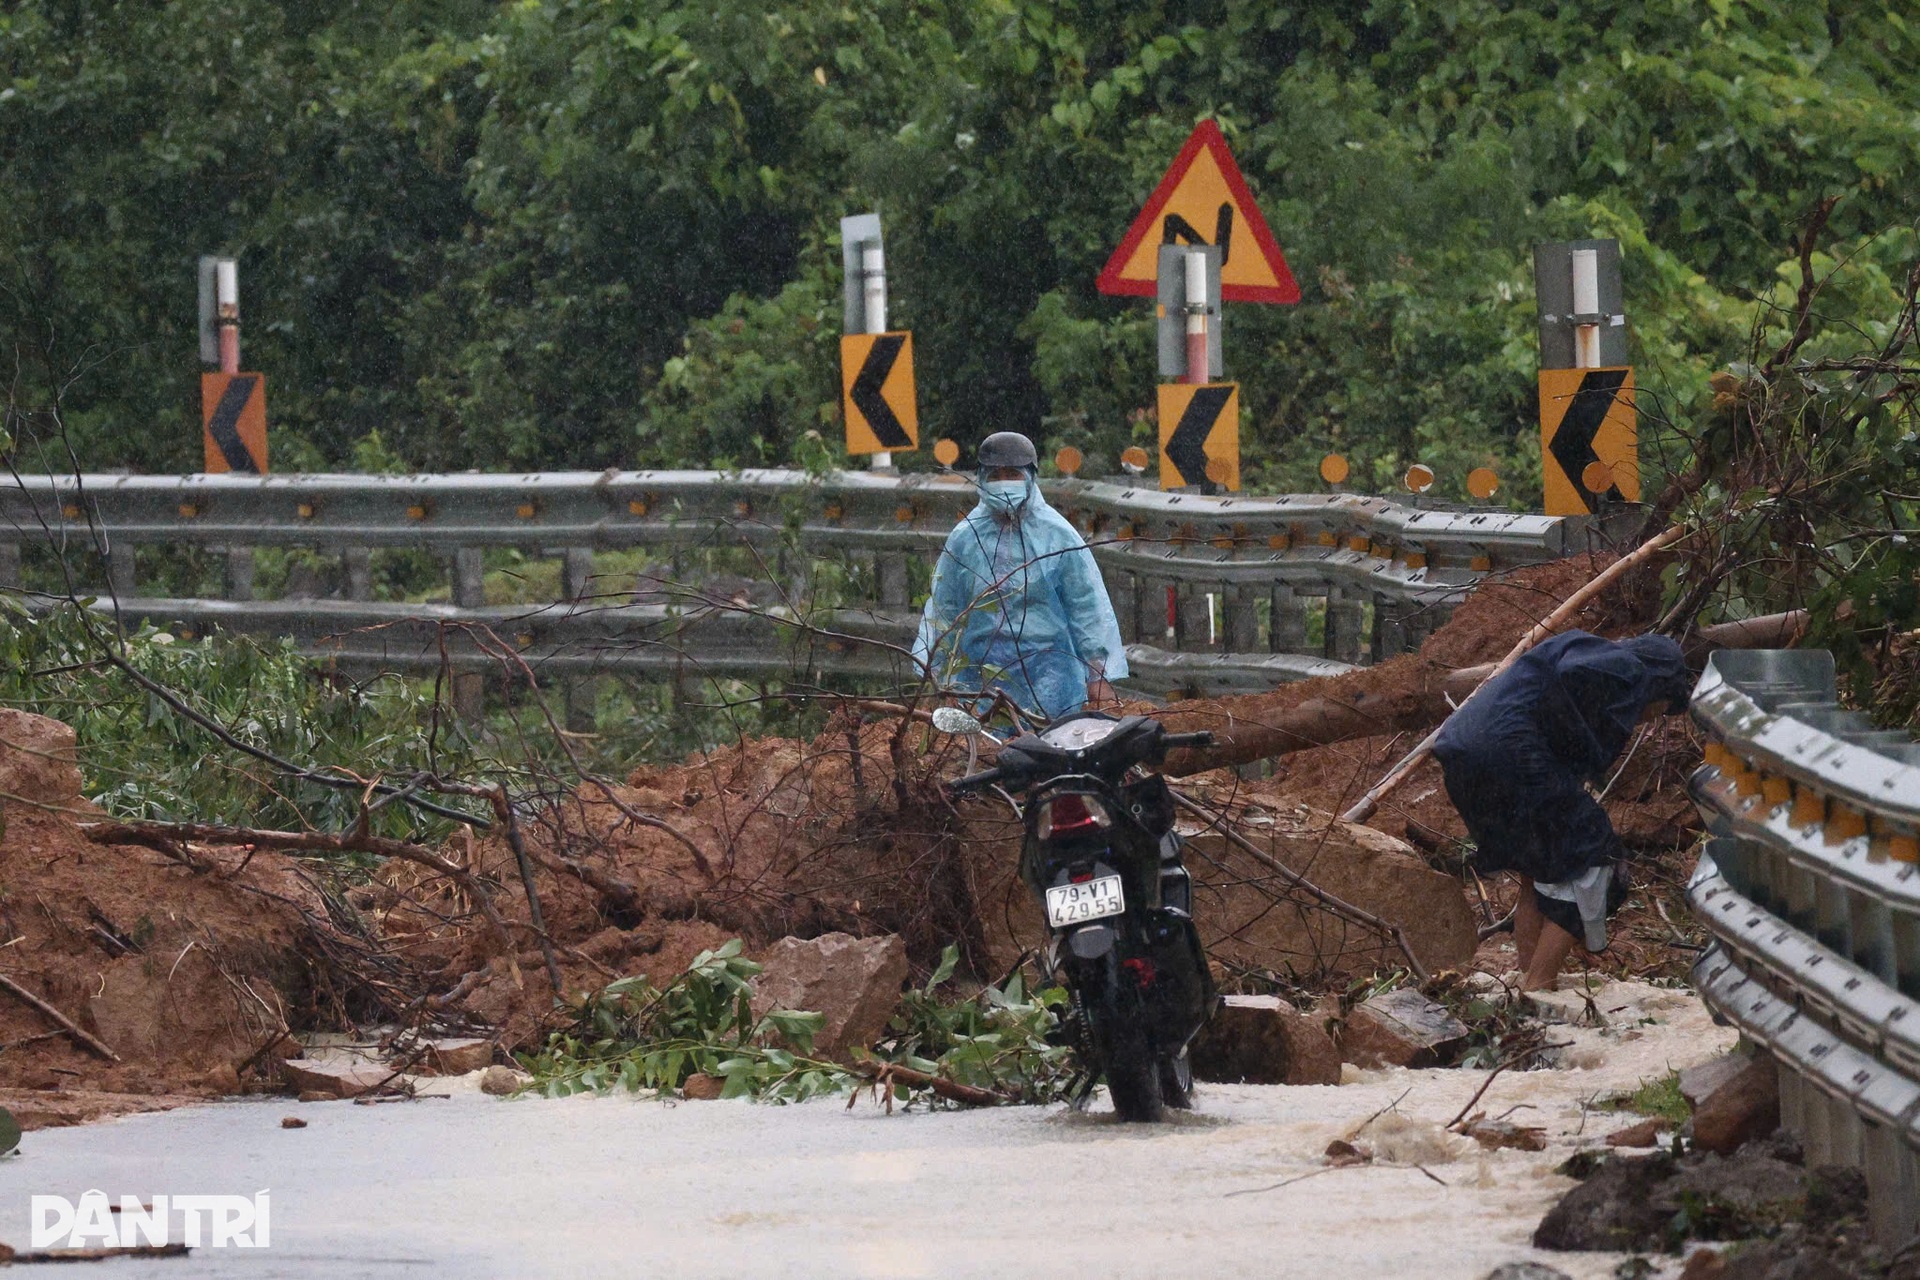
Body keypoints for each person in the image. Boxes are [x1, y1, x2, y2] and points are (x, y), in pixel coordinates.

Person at [1432, 630, 1695, 991]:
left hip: (1463, 750)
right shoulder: (1625, 666)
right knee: (1596, 857)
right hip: (1510, 751)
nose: (1648, 719)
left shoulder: (1578, 653)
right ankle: (1541, 980)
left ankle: (1527, 983)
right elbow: (1574, 672)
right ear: (1659, 685)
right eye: (1659, 709)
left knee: (1536, 867)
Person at [914, 431, 1129, 722]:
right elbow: (944, 609)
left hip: (1049, 670)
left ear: (1030, 477)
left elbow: (1086, 608)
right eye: (995, 475)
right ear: (981, 478)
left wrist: (1098, 675)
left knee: (1047, 745)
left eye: (1013, 474)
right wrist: (938, 673)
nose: (1004, 483)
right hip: (979, 674)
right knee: (989, 753)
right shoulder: (965, 539)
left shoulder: (1058, 536)